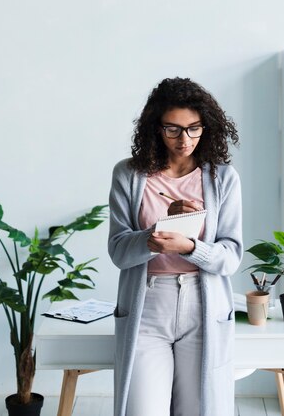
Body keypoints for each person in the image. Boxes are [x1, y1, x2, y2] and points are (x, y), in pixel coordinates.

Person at [108, 77, 243, 416]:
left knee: (199, 409)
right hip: (148, 304)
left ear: (206, 128)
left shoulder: (223, 178)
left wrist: (190, 247)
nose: (184, 140)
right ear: (156, 128)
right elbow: (118, 251)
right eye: (173, 129)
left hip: (203, 303)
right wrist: (151, 237)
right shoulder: (129, 175)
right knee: (143, 410)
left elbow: (231, 257)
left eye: (194, 129)